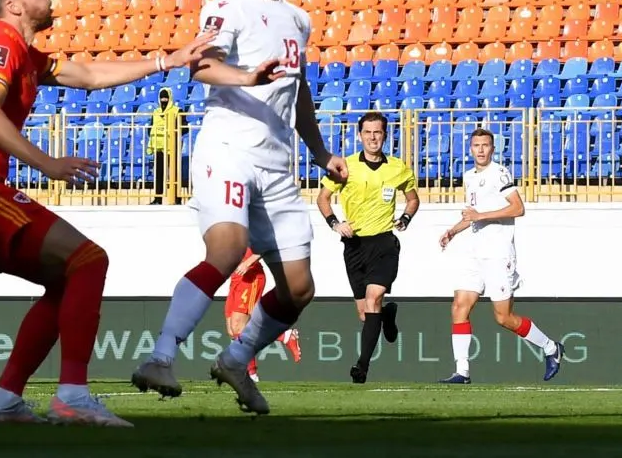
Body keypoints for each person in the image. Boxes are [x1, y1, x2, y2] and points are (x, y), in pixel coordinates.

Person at [0, 0, 215, 427]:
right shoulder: (0, 42)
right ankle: (72, 396)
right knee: (89, 259)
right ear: (14, 5)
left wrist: (166, 61)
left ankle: (4, 401)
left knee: (67, 277)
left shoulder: (23, 50)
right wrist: (48, 164)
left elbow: (87, 76)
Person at [130, 0, 348, 416]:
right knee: (226, 249)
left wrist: (319, 152)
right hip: (228, 147)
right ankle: (161, 355)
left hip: (278, 166)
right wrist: (248, 76)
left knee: (299, 288)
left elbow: (300, 92)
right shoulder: (225, 7)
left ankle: (236, 359)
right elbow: (202, 66)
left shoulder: (297, 18)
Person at [436, 127, 561, 384]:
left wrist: (480, 217)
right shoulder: (469, 176)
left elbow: (518, 208)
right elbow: (473, 214)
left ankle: (551, 347)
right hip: (475, 251)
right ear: (470, 149)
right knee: (460, 306)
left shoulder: (499, 173)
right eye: (476, 145)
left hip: (498, 252)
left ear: (492, 148)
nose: (480, 150)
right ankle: (462, 371)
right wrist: (453, 231)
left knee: (503, 317)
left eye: (485, 145)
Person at [318, 109, 418, 383]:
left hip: (384, 243)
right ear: (359, 135)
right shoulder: (346, 166)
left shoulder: (398, 168)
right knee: (365, 313)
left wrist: (406, 217)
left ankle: (361, 367)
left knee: (373, 298)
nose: (373, 137)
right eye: (368, 132)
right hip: (354, 245)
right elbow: (323, 199)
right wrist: (335, 223)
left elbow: (412, 199)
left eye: (378, 132)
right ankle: (387, 314)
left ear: (386, 135)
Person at [223, 249, 304, 377]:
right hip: (236, 277)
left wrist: (247, 263)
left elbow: (266, 245)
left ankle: (251, 375)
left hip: (250, 275)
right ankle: (284, 336)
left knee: (238, 326)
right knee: (233, 331)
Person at [148, 88, 184, 205]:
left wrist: (173, 133)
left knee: (174, 173)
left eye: (166, 98)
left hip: (172, 146)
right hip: (159, 146)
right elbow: (150, 127)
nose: (164, 100)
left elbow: (184, 127)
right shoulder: (156, 112)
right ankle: (158, 198)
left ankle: (177, 199)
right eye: (162, 98)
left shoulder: (177, 110)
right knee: (159, 173)